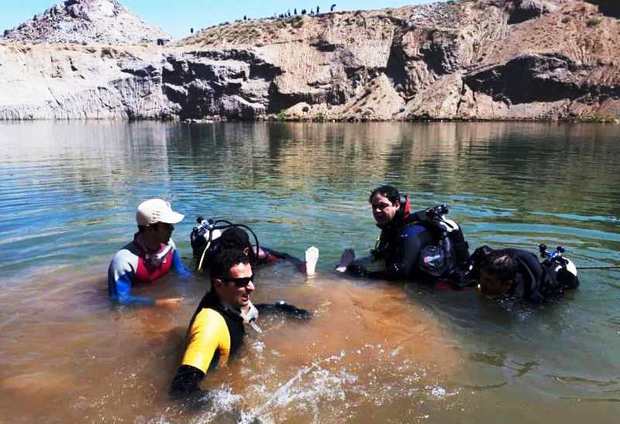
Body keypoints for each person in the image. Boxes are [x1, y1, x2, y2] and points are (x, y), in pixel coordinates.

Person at [170, 246, 309, 397]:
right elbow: (181, 391)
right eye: (242, 282)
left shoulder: (227, 300)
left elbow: (247, 313)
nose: (252, 287)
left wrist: (283, 308)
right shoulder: (209, 326)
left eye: (251, 279)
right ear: (218, 284)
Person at [336, 185, 470, 287]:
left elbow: (399, 274)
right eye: (374, 206)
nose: (377, 211)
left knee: (351, 272)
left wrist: (356, 271)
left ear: (396, 205)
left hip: (437, 288)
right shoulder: (392, 227)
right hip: (417, 277)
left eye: (382, 206)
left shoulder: (410, 232)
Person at [108, 198, 191, 307]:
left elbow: (182, 273)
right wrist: (158, 303)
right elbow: (118, 300)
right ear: (149, 229)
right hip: (143, 308)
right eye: (167, 226)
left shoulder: (169, 246)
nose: (172, 228)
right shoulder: (124, 262)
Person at [191, 218, 319, 275]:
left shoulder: (258, 254)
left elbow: (284, 257)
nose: (230, 258)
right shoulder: (213, 255)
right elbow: (198, 274)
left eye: (235, 255)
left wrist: (301, 266)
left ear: (246, 251)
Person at [470, 245, 579, 303]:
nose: (482, 283)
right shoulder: (486, 267)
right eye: (483, 278)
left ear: (507, 284)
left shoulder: (525, 294)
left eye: (489, 281)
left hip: (563, 274)